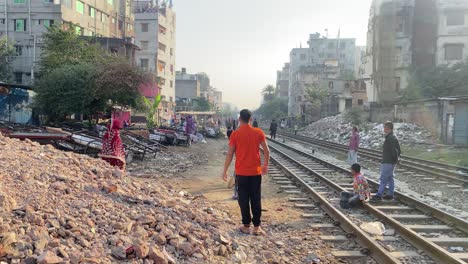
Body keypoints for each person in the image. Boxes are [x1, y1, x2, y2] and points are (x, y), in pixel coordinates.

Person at [223, 109, 270, 236]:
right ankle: (256, 227)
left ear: (239, 119)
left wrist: (225, 170)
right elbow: (266, 150)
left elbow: (230, 154)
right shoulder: (258, 132)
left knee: (243, 199)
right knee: (256, 198)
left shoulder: (235, 134)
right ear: (250, 119)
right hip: (256, 173)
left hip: (241, 173)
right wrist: (265, 165)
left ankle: (245, 225)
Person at [372, 122, 401, 201]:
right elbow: (397, 150)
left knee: (383, 178)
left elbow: (395, 151)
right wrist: (395, 160)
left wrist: (395, 160)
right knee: (390, 178)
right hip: (390, 161)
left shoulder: (391, 138)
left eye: (384, 127)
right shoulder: (391, 137)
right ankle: (390, 194)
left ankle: (379, 194)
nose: (383, 129)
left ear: (388, 128)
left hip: (388, 161)